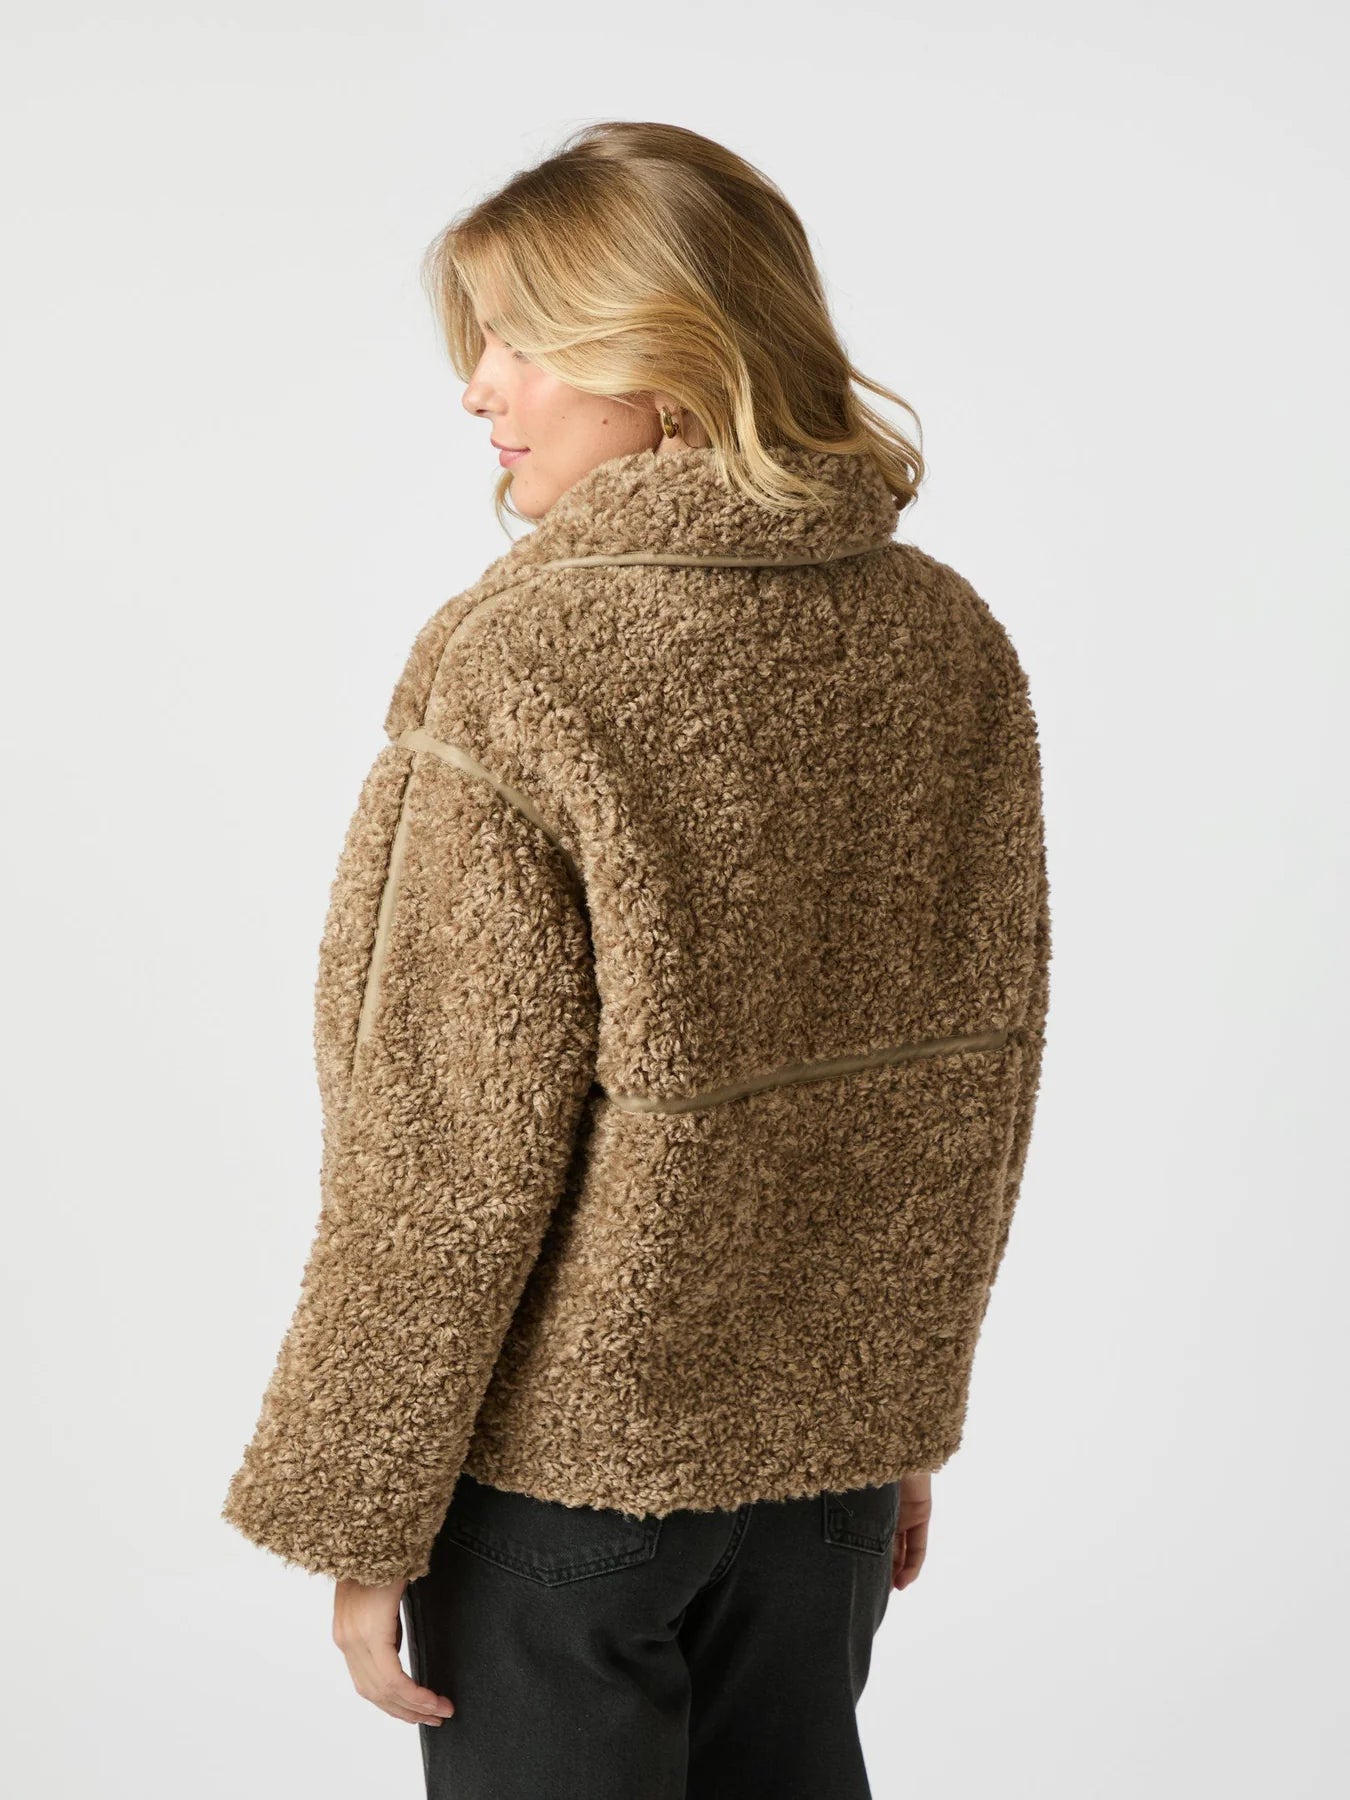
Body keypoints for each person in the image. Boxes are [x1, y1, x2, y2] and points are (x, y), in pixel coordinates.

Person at [221, 119, 1052, 1800]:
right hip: (818, 1483)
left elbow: (448, 1136)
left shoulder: (528, 657)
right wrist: (887, 1418)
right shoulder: (938, 631)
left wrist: (364, 1506)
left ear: (668, 359)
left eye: (522, 343)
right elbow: (965, 1074)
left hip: (566, 1482)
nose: (479, 388)